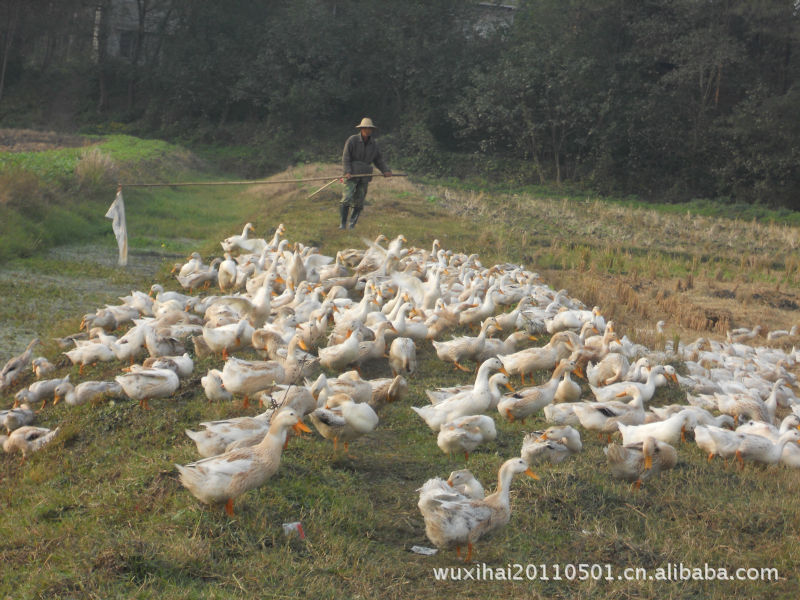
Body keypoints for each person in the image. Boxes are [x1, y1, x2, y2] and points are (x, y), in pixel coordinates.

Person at [340, 117, 392, 229]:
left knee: (359, 201)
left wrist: (386, 170)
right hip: (352, 174)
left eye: (370, 129)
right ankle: (343, 224)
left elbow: (378, 160)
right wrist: (347, 172)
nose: (368, 130)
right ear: (362, 129)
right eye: (366, 128)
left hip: (365, 176)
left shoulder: (374, 144)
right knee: (346, 198)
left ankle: (352, 225)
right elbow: (346, 157)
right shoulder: (352, 140)